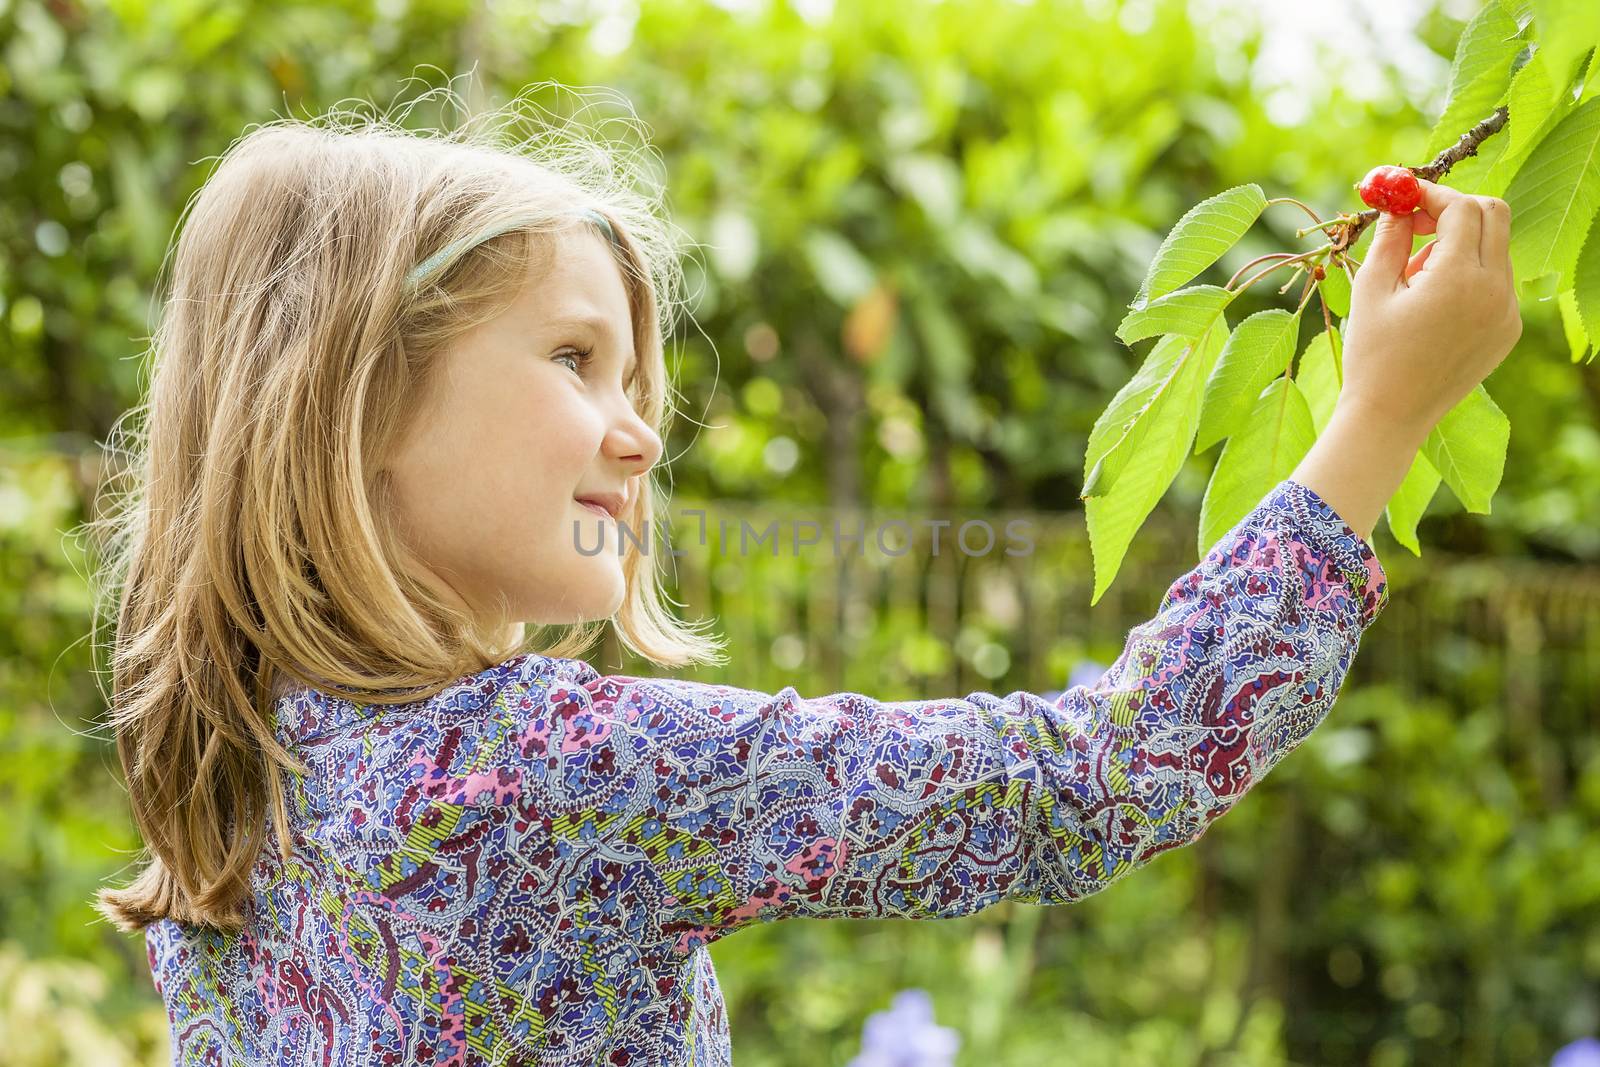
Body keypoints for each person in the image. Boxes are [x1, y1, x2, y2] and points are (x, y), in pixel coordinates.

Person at [91, 91, 1520, 1066]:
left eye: (636, 372)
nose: (642, 428)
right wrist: (1378, 419)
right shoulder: (541, 771)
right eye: (575, 359)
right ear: (364, 403)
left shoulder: (242, 798)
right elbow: (1100, 775)